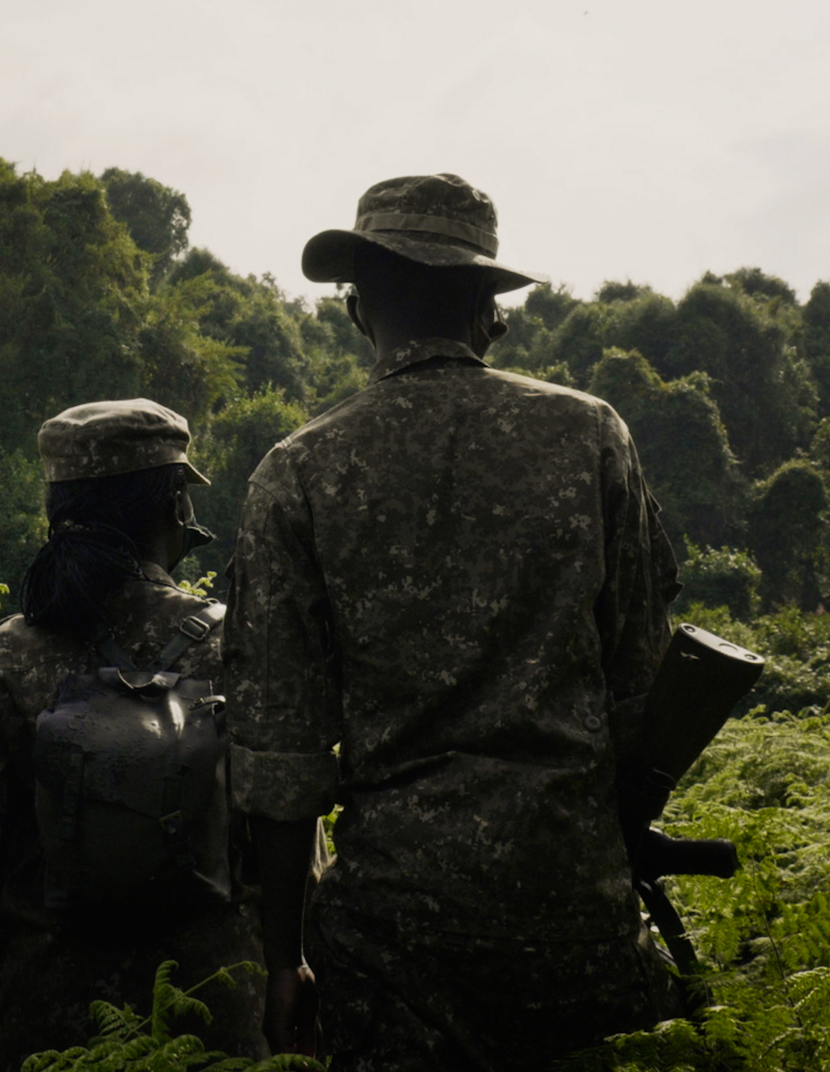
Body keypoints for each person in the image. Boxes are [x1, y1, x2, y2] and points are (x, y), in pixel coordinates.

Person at [227, 175, 684, 1070]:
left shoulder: (298, 473)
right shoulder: (591, 436)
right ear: (492, 310)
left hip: (393, 945)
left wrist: (285, 962)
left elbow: (278, 762)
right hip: (576, 919)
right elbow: (642, 678)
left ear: (358, 309)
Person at [0, 399, 267, 1071]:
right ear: (176, 507)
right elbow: (287, 838)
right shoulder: (238, 646)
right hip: (213, 1016)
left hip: (44, 1027)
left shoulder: (6, 658)